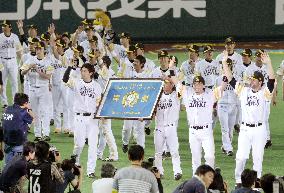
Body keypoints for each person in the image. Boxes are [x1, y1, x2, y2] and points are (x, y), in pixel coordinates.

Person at [222, 50, 275, 185]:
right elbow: (231, 79)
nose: (250, 81)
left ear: (260, 81)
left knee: (257, 158)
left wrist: (268, 64)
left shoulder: (265, 93)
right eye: (250, 79)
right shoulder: (243, 91)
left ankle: (256, 182)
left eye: (253, 79)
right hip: (245, 129)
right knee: (241, 157)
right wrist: (224, 63)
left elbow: (272, 80)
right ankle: (238, 180)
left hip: (259, 129)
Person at [63, 63, 102, 178]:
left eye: (85, 71)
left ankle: (91, 171)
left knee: (93, 145)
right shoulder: (76, 82)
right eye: (82, 70)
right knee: (79, 144)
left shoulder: (97, 86)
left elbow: (99, 103)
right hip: (79, 117)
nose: (82, 72)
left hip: (92, 118)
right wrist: (70, 67)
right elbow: (65, 79)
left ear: (91, 73)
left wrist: (101, 115)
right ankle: (75, 162)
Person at [20, 41, 54, 142]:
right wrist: (29, 67)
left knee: (44, 111)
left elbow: (48, 76)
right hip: (32, 89)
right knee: (34, 112)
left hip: (44, 89)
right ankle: (38, 134)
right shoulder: (30, 60)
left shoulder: (48, 61)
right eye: (37, 48)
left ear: (44, 49)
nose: (38, 50)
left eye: (40, 48)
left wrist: (38, 70)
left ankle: (46, 133)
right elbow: (22, 72)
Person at [154, 76, 182, 180]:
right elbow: (152, 111)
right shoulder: (157, 96)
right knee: (158, 152)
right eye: (164, 83)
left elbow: (179, 85)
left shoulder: (176, 95)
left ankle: (177, 172)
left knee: (174, 151)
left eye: (168, 83)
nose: (165, 85)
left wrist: (169, 77)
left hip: (171, 127)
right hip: (159, 127)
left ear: (172, 85)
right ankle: (159, 172)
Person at [2, 93, 34, 164]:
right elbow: (33, 119)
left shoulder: (7, 109)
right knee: (19, 167)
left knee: (7, 166)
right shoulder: (23, 111)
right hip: (19, 143)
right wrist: (29, 109)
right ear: (25, 103)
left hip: (7, 143)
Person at [216, 58, 237, 156]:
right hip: (222, 105)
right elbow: (216, 93)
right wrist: (214, 107)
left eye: (227, 65)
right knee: (225, 129)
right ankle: (229, 148)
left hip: (233, 106)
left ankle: (226, 146)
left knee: (230, 128)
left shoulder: (235, 78)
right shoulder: (218, 79)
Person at [0, 20, 22, 107]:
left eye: (5, 26)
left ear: (10, 27)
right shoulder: (0, 37)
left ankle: (15, 102)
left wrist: (22, 61)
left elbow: (19, 50)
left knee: (14, 82)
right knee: (2, 83)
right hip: (2, 61)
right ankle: (5, 103)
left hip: (13, 61)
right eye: (3, 26)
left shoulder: (15, 37)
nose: (3, 27)